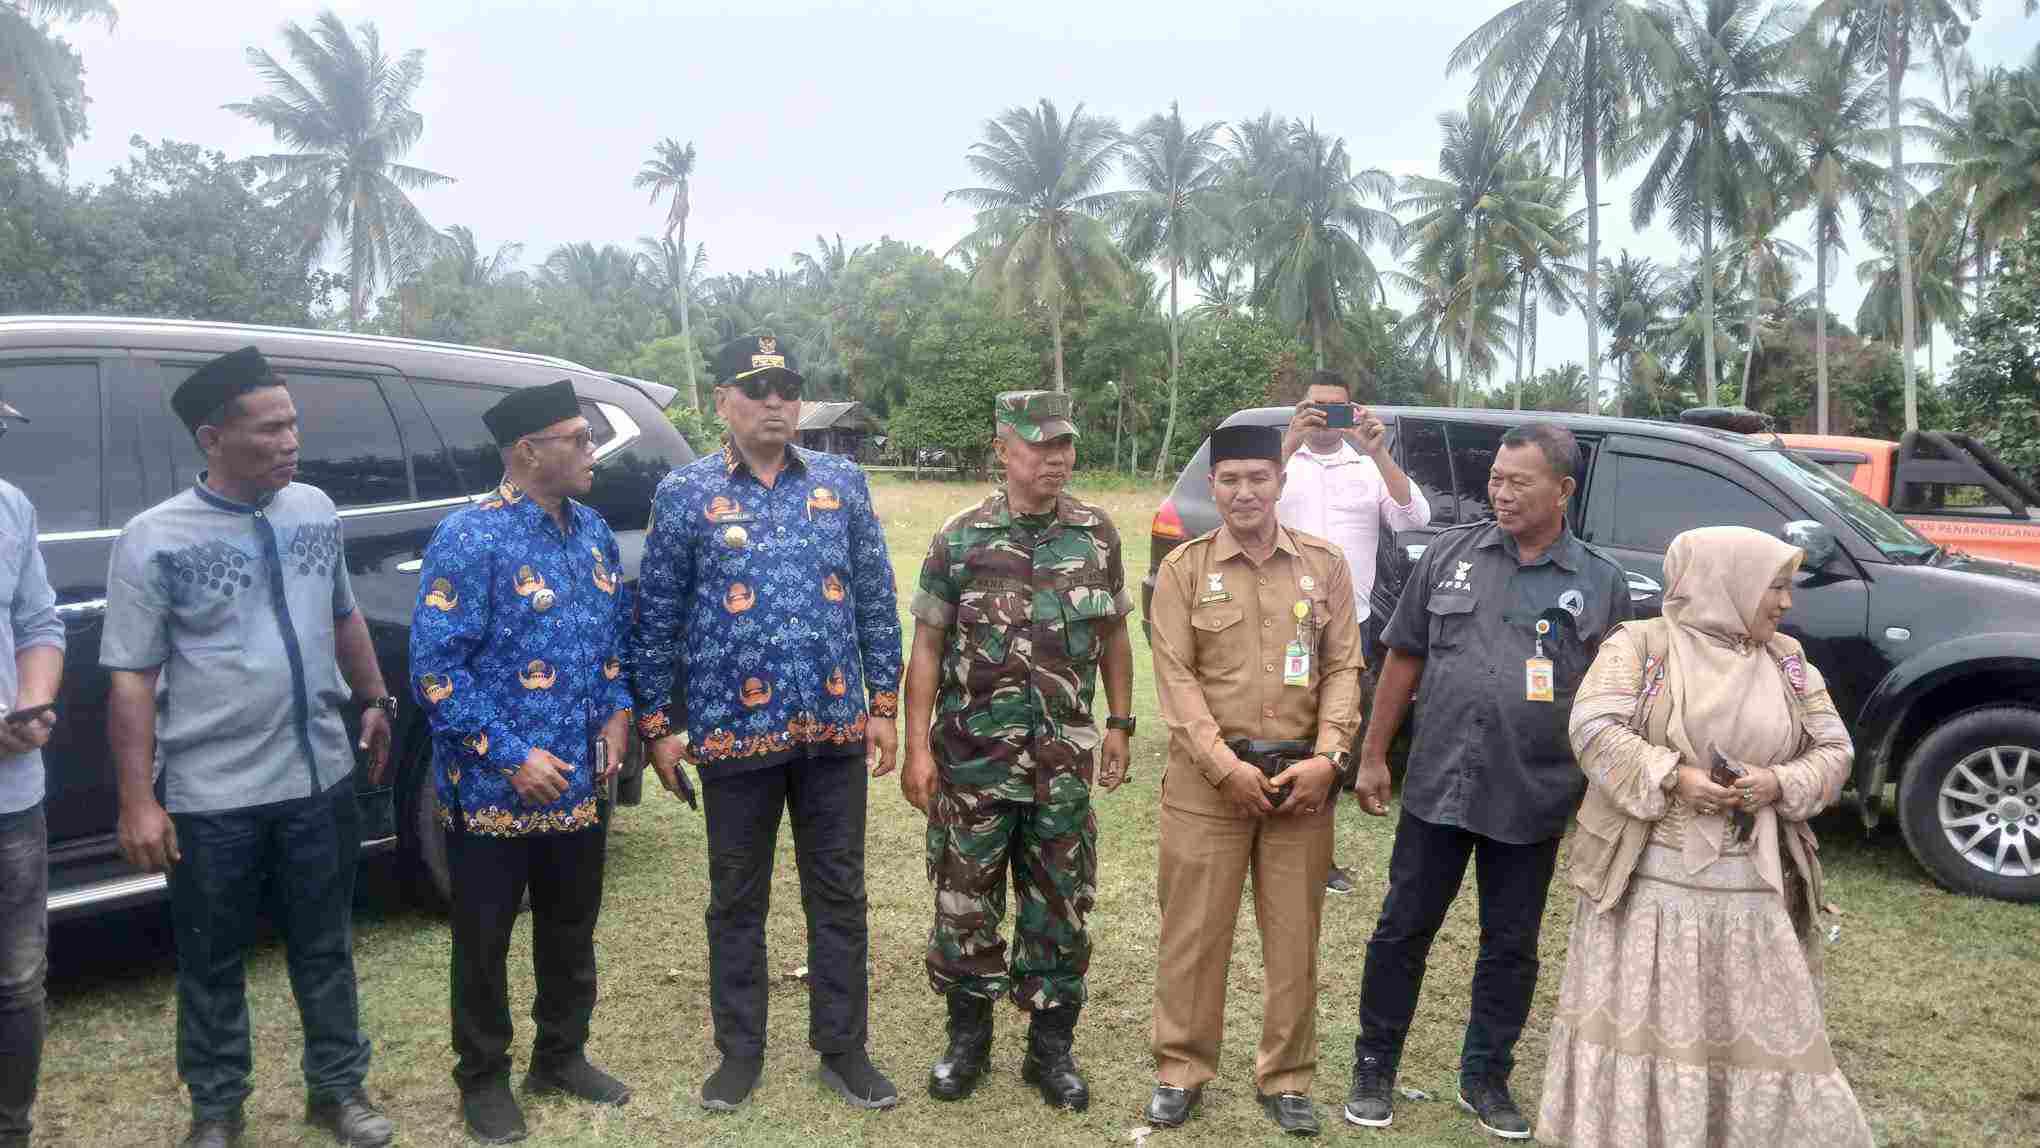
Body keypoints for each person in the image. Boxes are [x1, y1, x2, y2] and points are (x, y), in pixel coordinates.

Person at [101, 347, 397, 1148]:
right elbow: (131, 679)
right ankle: (218, 1109)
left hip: (318, 779)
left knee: (325, 945)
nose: (290, 440)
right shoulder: (152, 539)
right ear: (212, 438)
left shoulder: (313, 509)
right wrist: (138, 800)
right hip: (212, 795)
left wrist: (373, 699)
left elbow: (343, 616)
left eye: (293, 422)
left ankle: (338, 1091)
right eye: (270, 429)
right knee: (212, 958)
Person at [631, 334, 904, 1113]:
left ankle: (844, 1050)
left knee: (840, 895)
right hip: (732, 735)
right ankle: (739, 1052)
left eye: (788, 387)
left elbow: (876, 601)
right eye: (758, 389)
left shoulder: (841, 483)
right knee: (737, 900)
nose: (777, 402)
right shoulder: (685, 493)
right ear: (723, 401)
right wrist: (659, 724)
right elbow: (658, 618)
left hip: (832, 733)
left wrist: (882, 707)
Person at [1536, 525, 1873, 1146]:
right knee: (1652, 1024)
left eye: (1786, 588)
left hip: (1752, 892)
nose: (1786, 603)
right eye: (1775, 587)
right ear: (1731, 582)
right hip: (1650, 888)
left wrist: (1776, 781)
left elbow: (1835, 750)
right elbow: (1592, 729)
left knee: (1760, 1026)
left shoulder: (1789, 662)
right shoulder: (1642, 648)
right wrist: (1673, 777)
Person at [1344, 422, 1629, 1140]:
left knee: (1510, 943)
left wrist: (1599, 790)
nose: (1499, 493)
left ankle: (1485, 1076)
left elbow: (1609, 702)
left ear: (1561, 490)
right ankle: (1375, 1063)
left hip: (1532, 793)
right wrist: (1373, 755)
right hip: (1440, 782)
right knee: (1403, 927)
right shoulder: (1449, 553)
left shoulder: (1599, 583)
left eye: (1517, 481)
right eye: (1496, 479)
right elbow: (1402, 658)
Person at [408, 380, 636, 1143]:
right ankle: (482, 1079)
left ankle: (561, 1056)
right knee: (484, 940)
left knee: (571, 929)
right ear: (527, 451)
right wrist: (511, 757)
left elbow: (610, 644)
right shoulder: (471, 538)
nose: (590, 450)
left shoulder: (593, 531)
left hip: (578, 781)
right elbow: (437, 670)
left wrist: (616, 715)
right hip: (494, 791)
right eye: (577, 437)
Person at [899, 391, 1137, 1112]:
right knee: (965, 903)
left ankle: (1050, 1050)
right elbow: (930, 646)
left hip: (1063, 766)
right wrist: (918, 749)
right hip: (972, 763)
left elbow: (1116, 636)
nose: (1056, 458)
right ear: (1003, 449)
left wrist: (1121, 722)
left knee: (1059, 908)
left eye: (1064, 445)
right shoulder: (960, 537)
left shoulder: (1096, 534)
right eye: (1039, 446)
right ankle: (967, 1042)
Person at [1145, 423, 1364, 1136]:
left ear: (1281, 481)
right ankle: (1180, 1069)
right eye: (1231, 480)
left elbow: (1342, 669)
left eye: (1258, 478)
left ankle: (1288, 1077)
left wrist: (1330, 759)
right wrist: (1225, 766)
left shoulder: (1325, 565)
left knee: (1294, 937)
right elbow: (1175, 683)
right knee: (1194, 935)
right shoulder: (1183, 570)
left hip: (1301, 783)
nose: (1245, 492)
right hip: (1209, 786)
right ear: (1214, 486)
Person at [1277, 367, 1431, 896]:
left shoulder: (1365, 469)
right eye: (1314, 406)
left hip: (1350, 629)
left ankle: (1319, 859)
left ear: (1353, 411)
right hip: (1280, 626)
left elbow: (1414, 517)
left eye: (1335, 408)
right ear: (1300, 408)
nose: (1324, 418)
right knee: (1278, 736)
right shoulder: (1282, 465)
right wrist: (1287, 442)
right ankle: (1273, 849)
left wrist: (1379, 453)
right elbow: (1242, 506)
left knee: (1333, 742)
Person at [0, 400, 65, 1148]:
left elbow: (37, 623)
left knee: (16, 982)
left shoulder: (11, 507)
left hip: (12, 794)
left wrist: (33, 700)